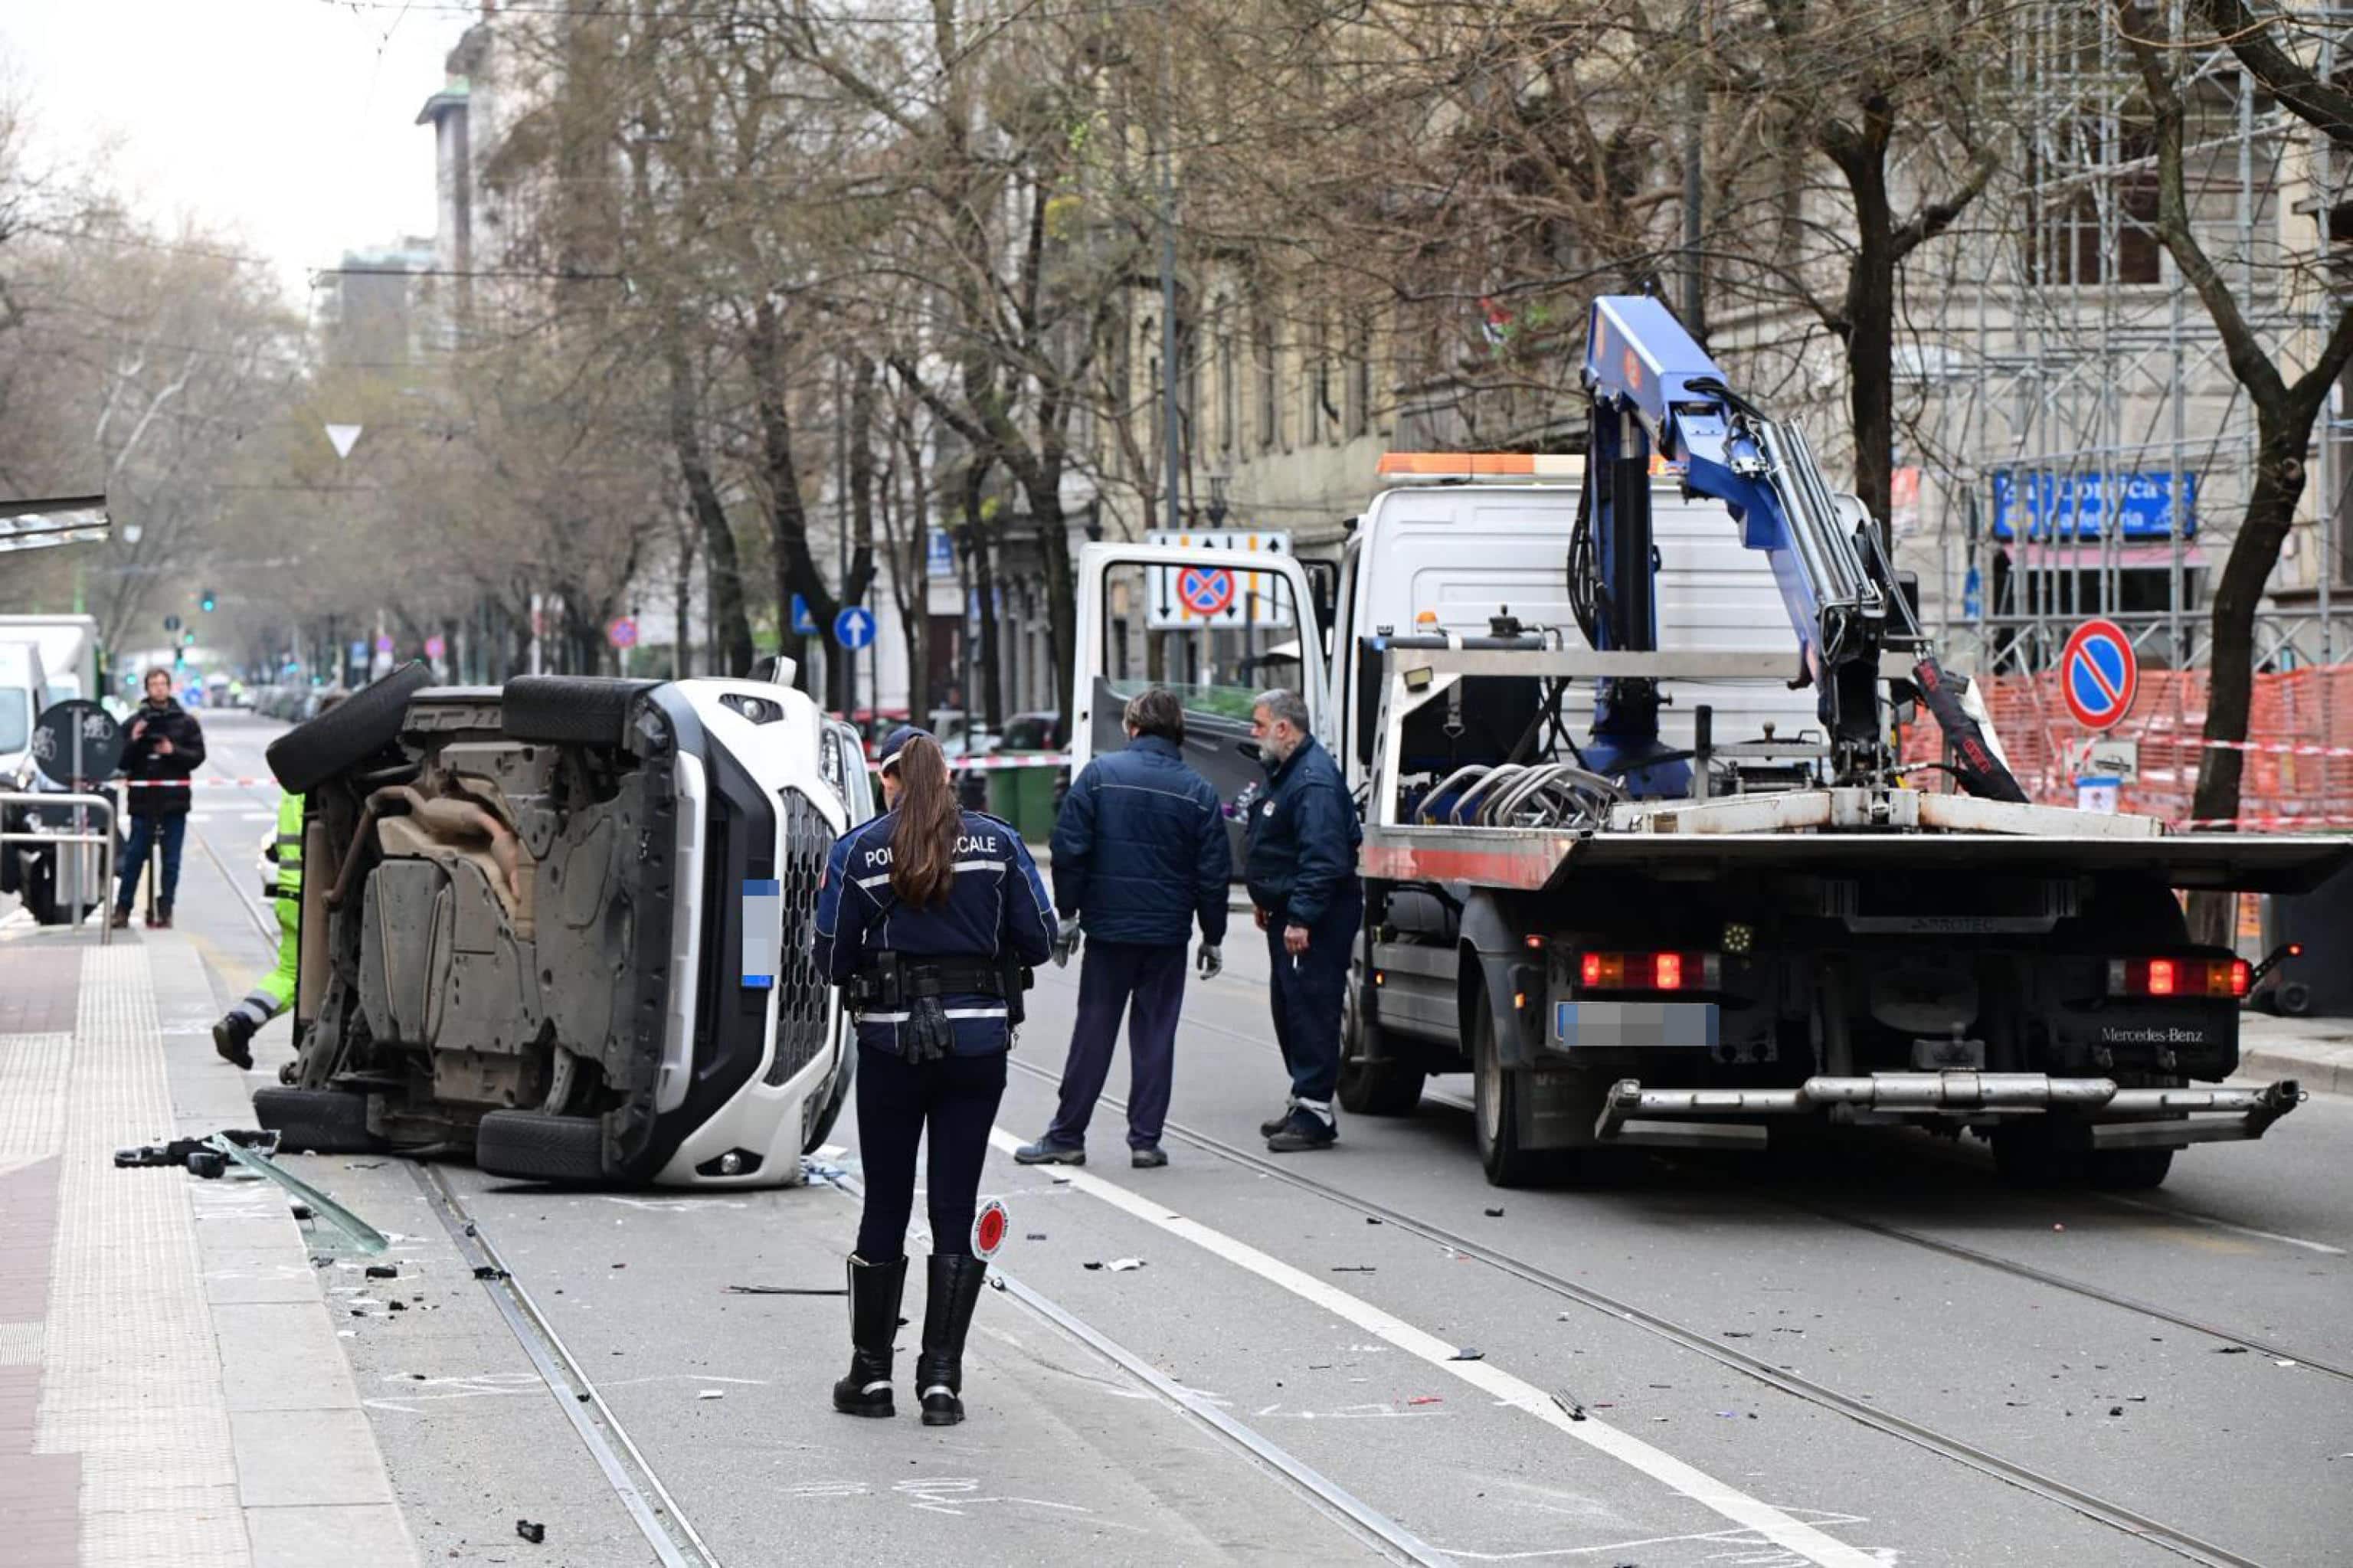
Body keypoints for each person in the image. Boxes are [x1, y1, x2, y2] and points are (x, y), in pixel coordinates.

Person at [813, 725, 1056, 1426]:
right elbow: (1039, 937)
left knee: (885, 1203)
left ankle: (871, 1375)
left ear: (888, 780)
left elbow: (829, 958)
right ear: (948, 777)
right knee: (955, 1204)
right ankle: (942, 1380)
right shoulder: (999, 843)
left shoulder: (858, 850)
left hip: (892, 1049)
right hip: (978, 1050)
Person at [1014, 687, 1229, 1171]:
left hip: (1110, 933)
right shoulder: (1198, 791)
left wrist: (1067, 915)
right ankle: (1146, 1141)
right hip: (1168, 937)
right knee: (1156, 1036)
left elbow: (1069, 850)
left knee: (1093, 1031)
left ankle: (1067, 1135)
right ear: (1179, 732)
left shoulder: (1099, 778)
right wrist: (1212, 935)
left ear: (1132, 727)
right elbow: (1213, 874)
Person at [1243, 688, 1360, 1153]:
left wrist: (1301, 917)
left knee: (1310, 1009)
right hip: (1291, 910)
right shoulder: (1288, 772)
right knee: (1290, 1008)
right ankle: (1303, 1101)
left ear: (1284, 729)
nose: (1253, 734)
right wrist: (1267, 896)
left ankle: (1315, 1113)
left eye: (1259, 724)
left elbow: (1323, 857)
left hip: (1316, 917)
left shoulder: (1312, 781)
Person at [211, 693, 343, 1069]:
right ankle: (314, 1054)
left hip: (288, 890)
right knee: (326, 977)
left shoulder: (301, 770)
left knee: (291, 972)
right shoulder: (331, 773)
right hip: (316, 895)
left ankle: (239, 1023)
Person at [113, 666, 207, 929]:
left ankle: (166, 909)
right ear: (147, 688)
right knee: (134, 858)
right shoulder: (134, 722)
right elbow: (120, 761)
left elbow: (197, 756)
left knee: (171, 861)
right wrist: (133, 740)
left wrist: (172, 750)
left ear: (169, 687)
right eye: (153, 684)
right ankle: (123, 908)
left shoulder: (186, 723)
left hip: (173, 802)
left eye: (163, 684)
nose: (158, 688)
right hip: (142, 802)